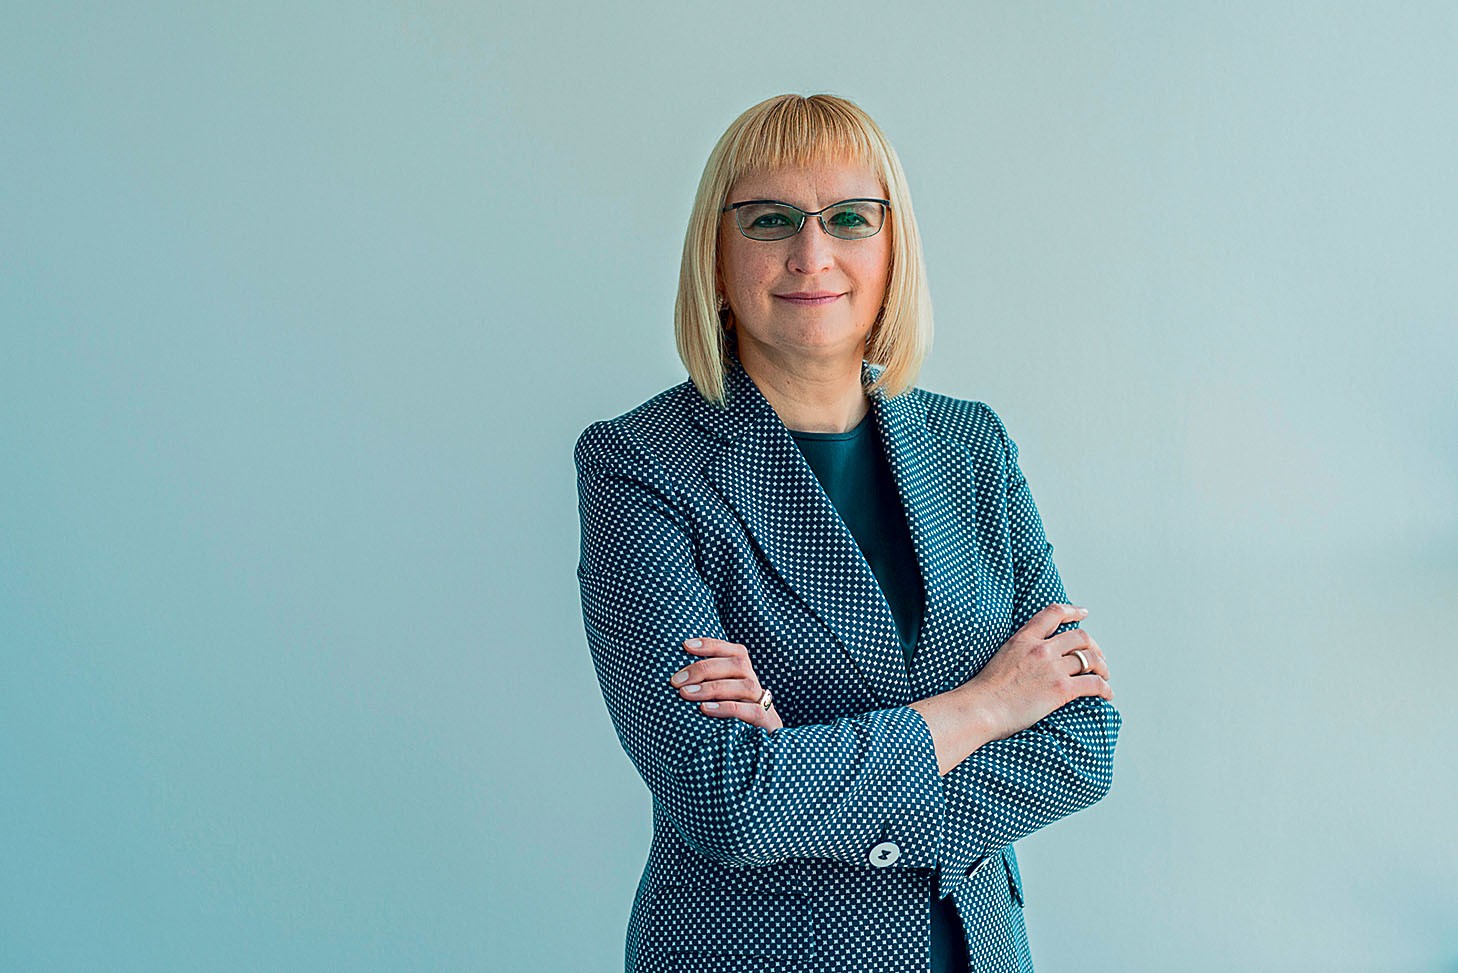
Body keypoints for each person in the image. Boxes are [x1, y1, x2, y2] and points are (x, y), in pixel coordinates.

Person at [575, 93, 1121, 973]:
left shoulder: (971, 444)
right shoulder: (641, 464)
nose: (811, 253)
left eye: (850, 218)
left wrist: (797, 770)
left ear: (893, 246)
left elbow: (1080, 744)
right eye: (770, 219)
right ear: (715, 255)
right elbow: (723, 797)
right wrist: (987, 706)